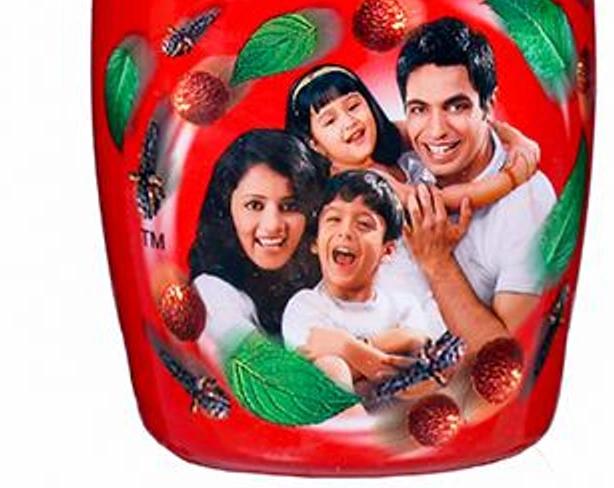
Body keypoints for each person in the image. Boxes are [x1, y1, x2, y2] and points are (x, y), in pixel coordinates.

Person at [396, 17, 558, 351]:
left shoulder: (528, 202)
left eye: (456, 106)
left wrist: (437, 263)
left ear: (488, 106)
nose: (436, 130)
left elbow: (502, 355)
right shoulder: (402, 164)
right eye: (419, 109)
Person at [285, 63, 541, 211]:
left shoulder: (382, 139)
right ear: (313, 143)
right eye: (330, 121)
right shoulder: (356, 181)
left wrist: (516, 139)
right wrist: (513, 177)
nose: (349, 122)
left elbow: (460, 124)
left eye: (353, 106)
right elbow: (442, 202)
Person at [281, 170, 444, 390]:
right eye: (334, 219)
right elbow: (315, 374)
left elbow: (420, 379)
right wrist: (394, 345)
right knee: (331, 366)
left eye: (364, 224)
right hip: (333, 409)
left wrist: (344, 346)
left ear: (387, 250)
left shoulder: (403, 306)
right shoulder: (306, 305)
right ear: (315, 243)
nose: (345, 232)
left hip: (404, 410)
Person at [189, 129, 325, 352]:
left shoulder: (323, 277)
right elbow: (270, 370)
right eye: (254, 205)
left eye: (290, 206)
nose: (272, 225)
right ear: (227, 207)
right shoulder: (212, 293)